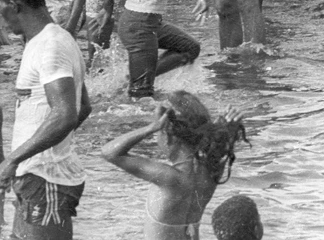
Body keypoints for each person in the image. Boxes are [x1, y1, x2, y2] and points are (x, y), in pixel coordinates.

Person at [0, 0, 91, 240]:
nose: (0, 20)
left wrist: (13, 159)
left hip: (46, 178)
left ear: (14, 6)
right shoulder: (52, 40)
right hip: (37, 177)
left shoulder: (51, 46)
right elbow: (82, 107)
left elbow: (65, 115)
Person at [101, 93, 246, 239]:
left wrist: (150, 128)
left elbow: (109, 152)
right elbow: (218, 147)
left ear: (169, 134)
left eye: (158, 133)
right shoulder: (210, 171)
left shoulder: (170, 178)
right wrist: (225, 128)